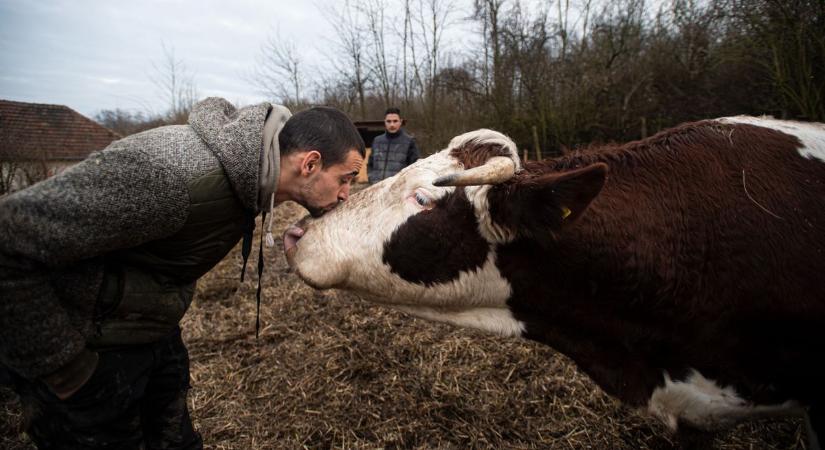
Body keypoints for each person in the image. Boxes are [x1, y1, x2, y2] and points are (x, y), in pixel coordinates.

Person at [0, 97, 365, 449]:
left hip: (150, 337)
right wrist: (66, 369)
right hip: (87, 354)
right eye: (346, 179)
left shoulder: (251, 171)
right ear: (310, 164)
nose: (348, 193)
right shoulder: (170, 177)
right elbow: (9, 236)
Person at [367, 107, 420, 183]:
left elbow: (415, 167)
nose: (392, 124)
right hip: (376, 188)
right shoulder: (377, 141)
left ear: (400, 122)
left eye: (395, 121)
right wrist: (371, 178)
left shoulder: (409, 141)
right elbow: (370, 164)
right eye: (389, 121)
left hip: (397, 190)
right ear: (385, 122)